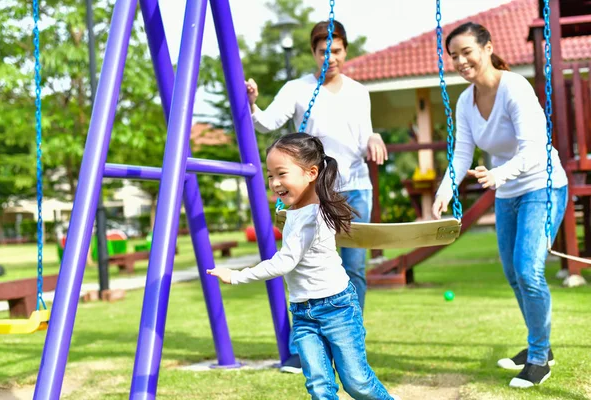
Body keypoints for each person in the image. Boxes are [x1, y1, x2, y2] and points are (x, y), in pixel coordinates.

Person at [208, 134, 398, 400]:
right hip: (302, 312)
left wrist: (237, 276)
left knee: (357, 383)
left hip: (337, 308)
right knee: (319, 386)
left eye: (281, 174)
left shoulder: (313, 215)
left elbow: (285, 261)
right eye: (270, 175)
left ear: (311, 173)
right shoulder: (296, 212)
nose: (274, 183)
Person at [432, 22, 568, 389]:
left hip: (543, 184)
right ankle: (540, 344)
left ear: (488, 48)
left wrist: (500, 174)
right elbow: (462, 153)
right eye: (454, 56)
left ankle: (539, 357)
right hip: (508, 192)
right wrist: (446, 189)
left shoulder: (514, 88)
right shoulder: (465, 101)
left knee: (528, 271)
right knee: (513, 275)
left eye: (466, 52)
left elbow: (534, 147)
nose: (460, 61)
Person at [246, 20, 387, 315]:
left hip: (355, 187)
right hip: (314, 192)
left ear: (345, 51)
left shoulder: (359, 92)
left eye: (336, 51)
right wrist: (252, 105)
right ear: (313, 52)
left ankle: (350, 332)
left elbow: (364, 137)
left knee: (354, 267)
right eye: (323, 51)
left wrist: (374, 137)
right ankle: (308, 337)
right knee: (305, 264)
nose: (330, 58)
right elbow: (266, 124)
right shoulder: (297, 89)